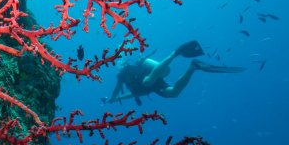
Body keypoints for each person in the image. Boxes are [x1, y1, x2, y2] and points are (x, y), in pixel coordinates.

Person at [105, 41, 245, 105]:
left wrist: (112, 97)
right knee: (172, 93)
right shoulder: (135, 90)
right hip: (153, 82)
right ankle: (193, 67)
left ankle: (175, 54)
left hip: (154, 74)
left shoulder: (123, 73)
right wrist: (117, 100)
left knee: (147, 81)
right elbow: (132, 94)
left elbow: (117, 89)